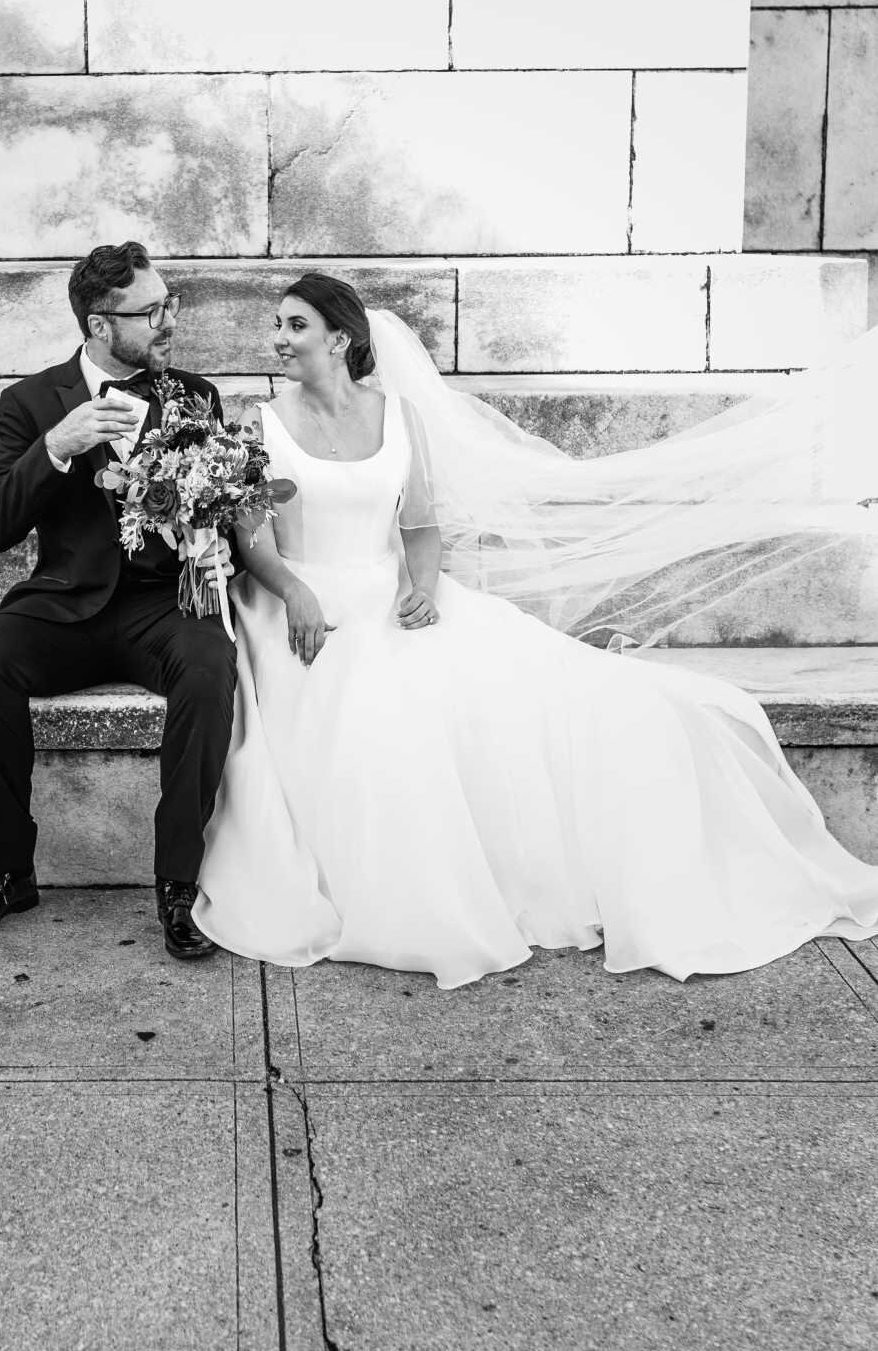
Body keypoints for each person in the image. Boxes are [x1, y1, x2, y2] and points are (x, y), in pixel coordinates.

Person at [199, 271, 878, 984]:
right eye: (277, 324)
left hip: (391, 591)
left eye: (296, 325)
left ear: (340, 338)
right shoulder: (259, 424)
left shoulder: (398, 416)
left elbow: (422, 528)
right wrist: (295, 590)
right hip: (298, 603)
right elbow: (254, 538)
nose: (278, 338)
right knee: (381, 711)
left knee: (568, 696)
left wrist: (423, 589)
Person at [0, 244, 238, 961]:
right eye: (151, 310)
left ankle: (178, 885)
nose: (168, 320)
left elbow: (225, 507)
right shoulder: (32, 401)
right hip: (66, 603)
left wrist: (212, 531)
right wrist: (57, 447)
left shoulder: (194, 395)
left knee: (210, 667)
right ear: (101, 325)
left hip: (162, 606)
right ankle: (6, 871)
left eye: (169, 303)